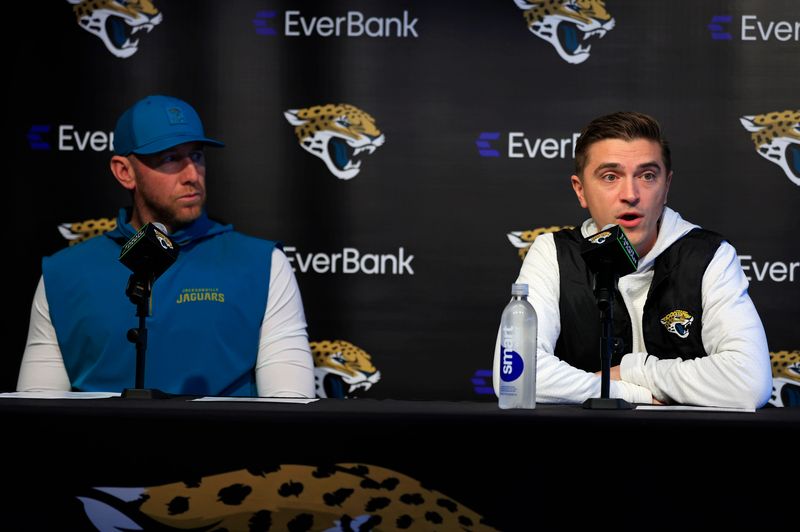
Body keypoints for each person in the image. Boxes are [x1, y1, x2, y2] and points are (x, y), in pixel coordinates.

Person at [18, 94, 315, 397]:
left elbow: (289, 410)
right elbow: (36, 414)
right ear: (124, 171)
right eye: (171, 159)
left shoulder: (263, 264)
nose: (192, 175)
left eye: (197, 156)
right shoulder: (63, 274)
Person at [493, 111, 772, 409]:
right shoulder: (553, 253)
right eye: (610, 176)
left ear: (666, 187)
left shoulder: (709, 255)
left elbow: (750, 382)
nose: (631, 194)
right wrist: (634, 395)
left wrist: (632, 371)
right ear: (580, 190)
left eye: (647, 176)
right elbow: (515, 378)